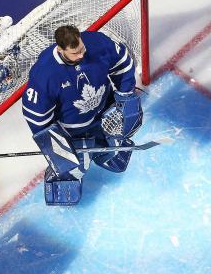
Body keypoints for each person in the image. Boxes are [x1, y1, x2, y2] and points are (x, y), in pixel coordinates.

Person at [22, 25, 143, 205]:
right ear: (60, 49)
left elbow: (123, 64)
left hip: (105, 112)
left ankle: (106, 154)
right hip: (73, 131)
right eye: (75, 53)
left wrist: (125, 96)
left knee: (113, 148)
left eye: (82, 48)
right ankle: (61, 178)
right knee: (73, 167)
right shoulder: (45, 74)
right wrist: (56, 147)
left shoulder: (98, 43)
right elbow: (36, 116)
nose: (81, 55)